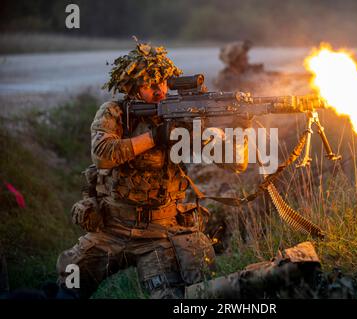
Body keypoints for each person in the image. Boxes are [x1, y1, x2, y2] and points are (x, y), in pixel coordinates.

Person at [56, 40, 250, 299]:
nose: (159, 91)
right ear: (132, 88)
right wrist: (156, 136)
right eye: (150, 85)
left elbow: (234, 163)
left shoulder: (179, 116)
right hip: (111, 227)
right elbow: (103, 155)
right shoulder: (115, 113)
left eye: (163, 83)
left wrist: (241, 129)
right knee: (68, 285)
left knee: (169, 296)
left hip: (160, 232)